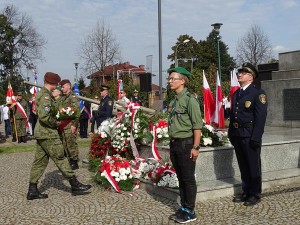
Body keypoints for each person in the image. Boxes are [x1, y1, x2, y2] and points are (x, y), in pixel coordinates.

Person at [27, 72, 91, 200]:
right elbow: (44, 116)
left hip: (42, 133)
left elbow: (51, 111)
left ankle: (32, 190)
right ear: (53, 82)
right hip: (48, 133)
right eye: (57, 83)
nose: (58, 86)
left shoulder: (45, 95)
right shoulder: (45, 96)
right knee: (60, 157)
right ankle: (74, 185)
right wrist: (57, 122)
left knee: (39, 162)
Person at [228, 62, 267, 206]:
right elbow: (233, 115)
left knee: (253, 165)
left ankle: (255, 193)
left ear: (250, 77)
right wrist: (231, 133)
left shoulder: (258, 93)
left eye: (243, 73)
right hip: (238, 134)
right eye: (239, 72)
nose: (239, 74)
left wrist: (256, 137)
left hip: (250, 135)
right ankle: (246, 191)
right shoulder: (237, 94)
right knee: (243, 165)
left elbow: (261, 117)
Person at [167, 67, 203, 223]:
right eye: (169, 78)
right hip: (175, 143)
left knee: (188, 179)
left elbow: (197, 126)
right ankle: (184, 207)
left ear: (183, 81)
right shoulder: (174, 100)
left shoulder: (190, 100)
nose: (170, 81)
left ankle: (190, 211)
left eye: (173, 78)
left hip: (186, 144)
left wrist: (195, 148)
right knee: (180, 178)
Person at [59, 79, 80, 170]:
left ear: (68, 86)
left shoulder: (73, 97)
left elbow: (76, 112)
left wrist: (74, 125)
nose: (62, 88)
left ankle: (74, 161)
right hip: (63, 124)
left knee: (71, 143)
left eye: (63, 87)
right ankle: (69, 159)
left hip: (70, 124)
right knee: (65, 143)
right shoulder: (63, 97)